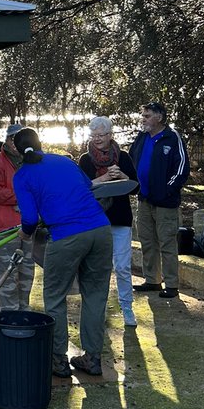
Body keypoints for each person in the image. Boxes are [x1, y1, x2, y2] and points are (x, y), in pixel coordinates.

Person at [13, 127, 112, 378]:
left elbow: (29, 219)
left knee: (55, 297)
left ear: (16, 149)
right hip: (100, 229)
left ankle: (58, 360)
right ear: (40, 142)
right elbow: (87, 187)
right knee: (95, 294)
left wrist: (25, 234)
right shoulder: (63, 161)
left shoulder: (22, 175)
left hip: (66, 235)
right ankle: (92, 358)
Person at [79, 116, 139, 328]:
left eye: (101, 135)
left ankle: (127, 307)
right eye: (93, 135)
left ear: (110, 135)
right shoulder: (85, 159)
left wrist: (121, 174)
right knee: (98, 268)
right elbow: (82, 189)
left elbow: (136, 187)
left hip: (120, 219)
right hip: (95, 220)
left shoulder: (123, 157)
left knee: (122, 267)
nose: (97, 139)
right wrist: (104, 179)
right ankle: (98, 309)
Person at [129, 102, 190, 299]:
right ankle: (152, 280)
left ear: (160, 117)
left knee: (167, 243)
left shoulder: (172, 138)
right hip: (144, 199)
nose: (143, 119)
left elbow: (181, 169)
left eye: (147, 116)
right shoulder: (141, 137)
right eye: (143, 115)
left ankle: (171, 285)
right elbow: (131, 160)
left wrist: (166, 191)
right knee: (147, 241)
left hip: (165, 202)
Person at [0, 123, 35, 309]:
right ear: (9, 140)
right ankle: (9, 317)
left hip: (27, 228)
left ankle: (24, 315)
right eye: (15, 140)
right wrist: (25, 196)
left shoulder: (30, 161)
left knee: (26, 277)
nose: (18, 144)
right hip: (3, 229)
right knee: (6, 279)